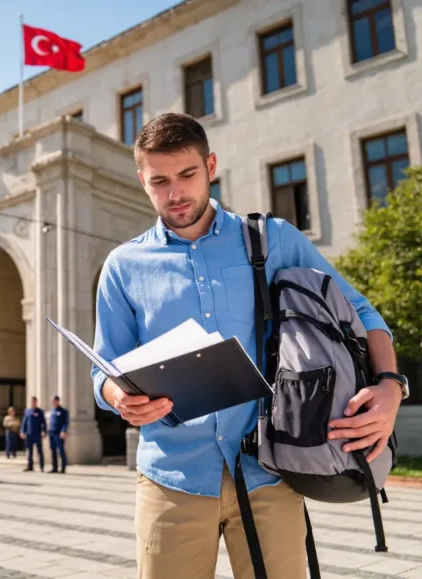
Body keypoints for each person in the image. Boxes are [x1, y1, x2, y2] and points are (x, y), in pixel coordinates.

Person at [92, 112, 404, 579]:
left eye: (187, 174)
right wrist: (118, 396)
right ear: (142, 180)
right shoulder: (122, 266)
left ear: (210, 166)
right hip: (170, 479)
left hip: (269, 474)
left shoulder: (272, 239)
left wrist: (391, 385)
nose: (175, 193)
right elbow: (103, 368)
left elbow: (361, 311)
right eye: (159, 181)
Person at [20, 396, 46, 472]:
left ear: (36, 402)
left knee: (39, 451)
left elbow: (43, 423)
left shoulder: (40, 412)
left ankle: (41, 466)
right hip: (29, 434)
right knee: (29, 451)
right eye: (32, 401)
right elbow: (24, 422)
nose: (33, 403)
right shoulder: (27, 411)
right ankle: (30, 466)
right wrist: (22, 431)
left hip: (37, 434)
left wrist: (43, 431)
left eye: (34, 401)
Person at [48, 395, 68, 474]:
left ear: (57, 401)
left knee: (61, 450)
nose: (52, 402)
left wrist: (63, 431)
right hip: (51, 433)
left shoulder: (63, 411)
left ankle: (63, 468)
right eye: (52, 401)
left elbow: (65, 423)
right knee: (53, 451)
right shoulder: (52, 410)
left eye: (54, 401)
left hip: (59, 433)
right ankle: (54, 467)